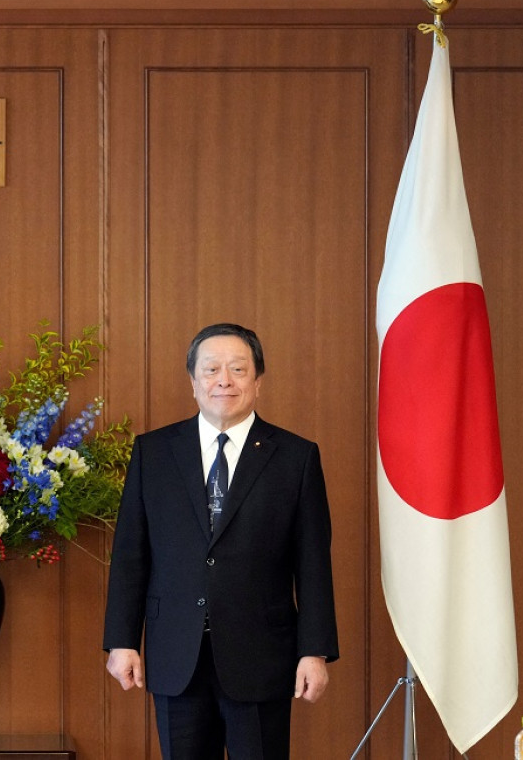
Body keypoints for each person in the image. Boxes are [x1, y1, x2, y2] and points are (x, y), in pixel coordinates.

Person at [103, 323, 338, 759]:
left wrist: (315, 651)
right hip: (176, 652)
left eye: (237, 369)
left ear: (258, 381)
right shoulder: (154, 453)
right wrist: (121, 639)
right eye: (211, 369)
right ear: (193, 381)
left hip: (261, 654)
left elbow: (312, 563)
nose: (223, 380)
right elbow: (131, 555)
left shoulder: (295, 457)